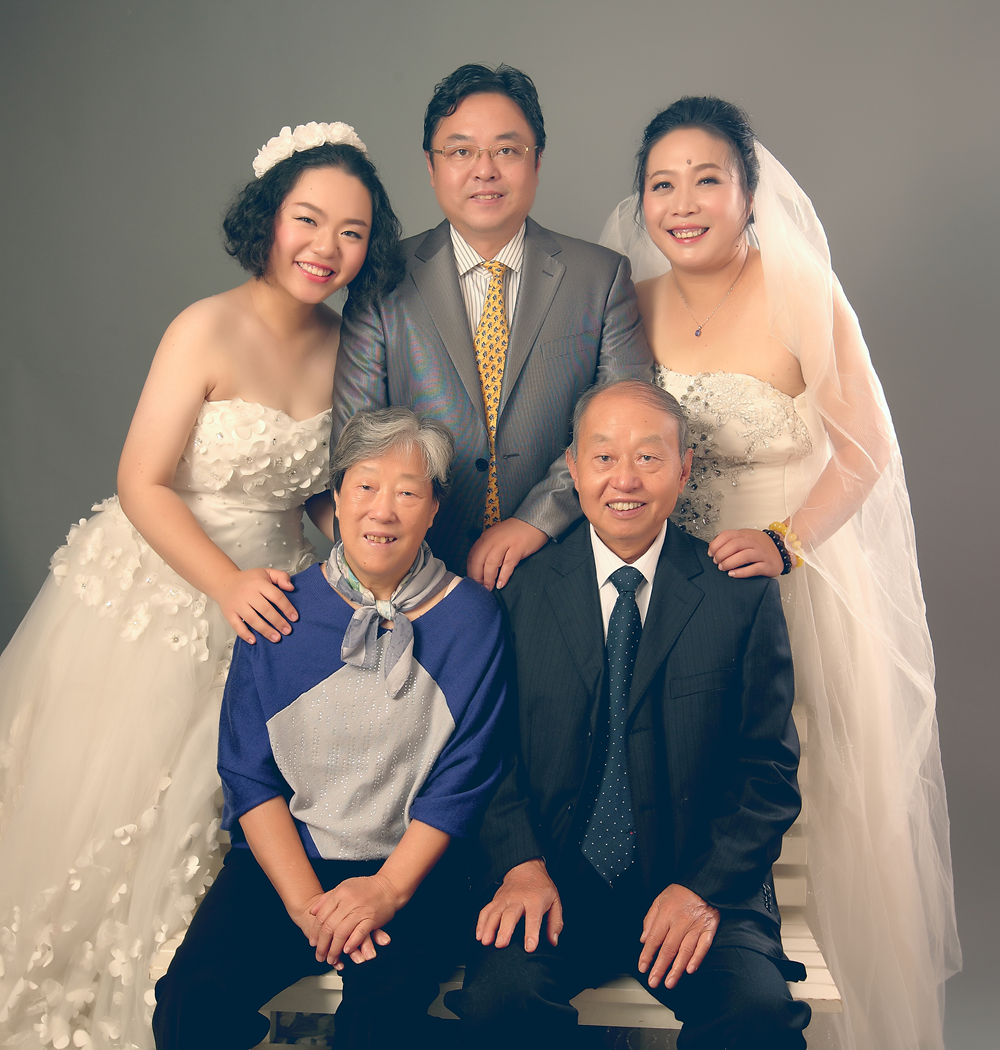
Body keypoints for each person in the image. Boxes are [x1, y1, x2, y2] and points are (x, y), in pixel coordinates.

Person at [0, 122, 404, 1049]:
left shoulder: (348, 344)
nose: (326, 247)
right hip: (167, 583)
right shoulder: (204, 327)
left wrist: (369, 556)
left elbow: (315, 496)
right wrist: (223, 585)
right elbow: (141, 478)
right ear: (269, 220)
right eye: (308, 220)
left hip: (277, 589)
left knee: (243, 805)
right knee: (123, 806)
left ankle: (205, 994)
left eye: (351, 232)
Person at [600, 96, 959, 1050]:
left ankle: (753, 963)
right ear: (641, 202)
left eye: (706, 180)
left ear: (749, 193)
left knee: (779, 797)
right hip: (660, 585)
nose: (683, 204)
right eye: (662, 185)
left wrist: (787, 541)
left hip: (776, 584)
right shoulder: (632, 302)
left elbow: (867, 448)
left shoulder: (799, 291)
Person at [446, 379, 809, 1049]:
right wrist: (520, 865)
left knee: (756, 1015)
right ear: (574, 467)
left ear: (684, 469)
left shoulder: (738, 596)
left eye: (648, 457)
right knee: (501, 1005)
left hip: (698, 882)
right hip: (552, 881)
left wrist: (702, 889)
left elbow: (767, 770)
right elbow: (484, 753)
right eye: (604, 456)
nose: (625, 479)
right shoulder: (518, 592)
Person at [152, 408, 508, 1050]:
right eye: (365, 487)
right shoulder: (277, 608)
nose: (383, 510)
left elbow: (465, 777)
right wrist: (303, 904)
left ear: (434, 510)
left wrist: (388, 889)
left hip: (414, 871)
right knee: (190, 1001)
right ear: (336, 500)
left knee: (381, 1022)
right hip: (289, 864)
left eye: (408, 493)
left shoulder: (473, 618)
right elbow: (247, 773)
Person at [332, 63, 653, 590]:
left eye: (506, 150)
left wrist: (535, 522)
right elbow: (356, 443)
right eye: (460, 151)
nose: (484, 170)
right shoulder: (380, 279)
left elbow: (626, 427)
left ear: (537, 161)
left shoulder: (601, 277)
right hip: (417, 569)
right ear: (431, 166)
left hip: (561, 565)